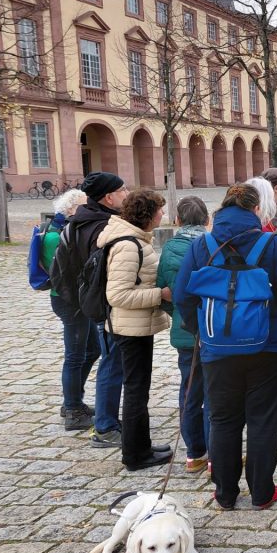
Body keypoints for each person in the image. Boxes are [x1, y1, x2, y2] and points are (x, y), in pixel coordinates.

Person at [174, 183, 277, 510]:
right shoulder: (270, 244)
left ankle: (225, 493)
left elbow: (182, 296)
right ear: (255, 210)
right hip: (271, 347)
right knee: (263, 418)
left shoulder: (202, 245)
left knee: (222, 419)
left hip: (218, 348)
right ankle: (262, 492)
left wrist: (202, 330)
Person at [97, 188, 172, 471]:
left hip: (137, 326)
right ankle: (135, 455)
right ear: (147, 214)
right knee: (135, 391)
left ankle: (142, 445)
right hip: (130, 328)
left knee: (139, 390)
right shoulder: (128, 245)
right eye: (159, 210)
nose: (162, 214)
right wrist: (160, 295)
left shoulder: (136, 239)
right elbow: (117, 295)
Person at [58, 172, 130, 447]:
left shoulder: (79, 221)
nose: (126, 194)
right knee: (112, 364)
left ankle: (105, 419)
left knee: (107, 360)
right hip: (105, 305)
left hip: (92, 302)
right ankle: (106, 426)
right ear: (108, 197)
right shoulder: (102, 226)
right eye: (122, 190)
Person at [157, 196, 211, 473]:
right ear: (207, 219)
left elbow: (164, 291)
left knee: (190, 393)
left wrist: (179, 312)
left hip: (184, 329)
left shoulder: (169, 249)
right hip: (212, 329)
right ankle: (214, 452)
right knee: (213, 392)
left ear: (177, 221)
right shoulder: (212, 244)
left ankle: (194, 453)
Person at [45, 188, 96, 431]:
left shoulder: (63, 230)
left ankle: (74, 398)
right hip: (69, 301)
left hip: (75, 299)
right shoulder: (57, 235)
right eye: (83, 207)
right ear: (70, 210)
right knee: (75, 356)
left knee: (93, 349)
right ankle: (72, 409)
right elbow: (63, 275)